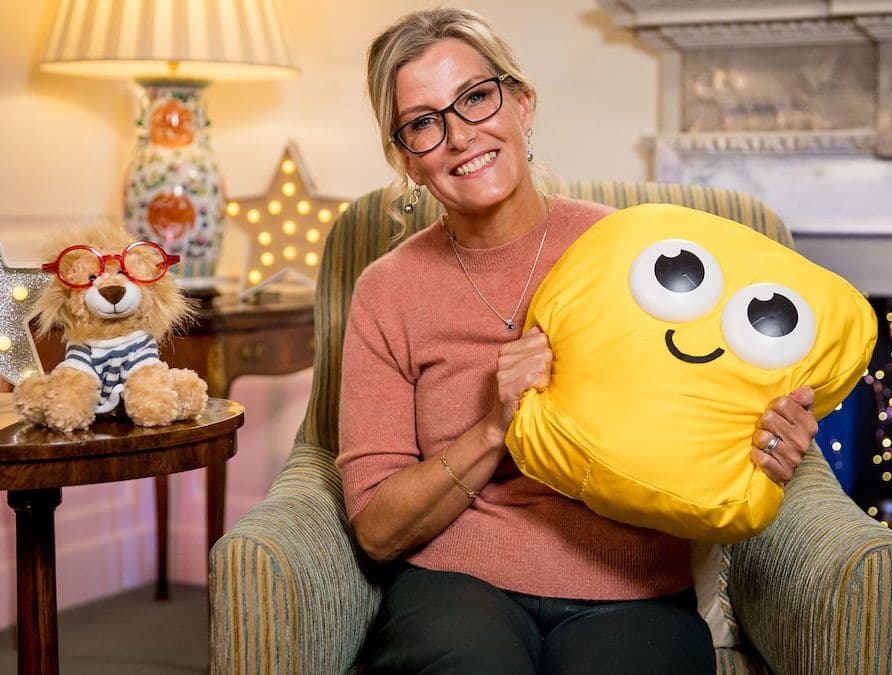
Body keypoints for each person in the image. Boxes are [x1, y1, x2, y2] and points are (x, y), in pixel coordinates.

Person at [336, 8, 820, 674]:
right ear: (407, 160)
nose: (459, 136)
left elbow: (712, 409)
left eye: (476, 98)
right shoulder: (387, 289)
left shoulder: (633, 251)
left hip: (635, 591)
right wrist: (493, 426)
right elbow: (376, 525)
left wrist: (768, 443)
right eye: (424, 122)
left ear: (522, 105)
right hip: (457, 582)